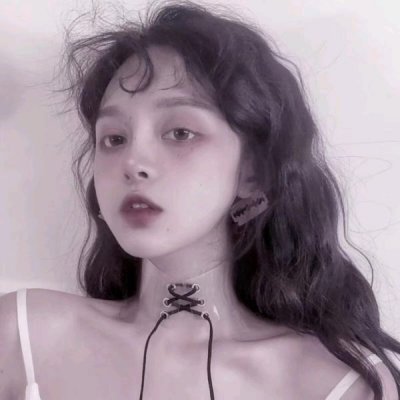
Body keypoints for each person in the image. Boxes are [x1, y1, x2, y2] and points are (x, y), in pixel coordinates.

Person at [1, 0, 399, 399]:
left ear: (253, 172)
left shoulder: (342, 383)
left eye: (180, 133)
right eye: (114, 138)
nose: (132, 162)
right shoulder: (22, 339)